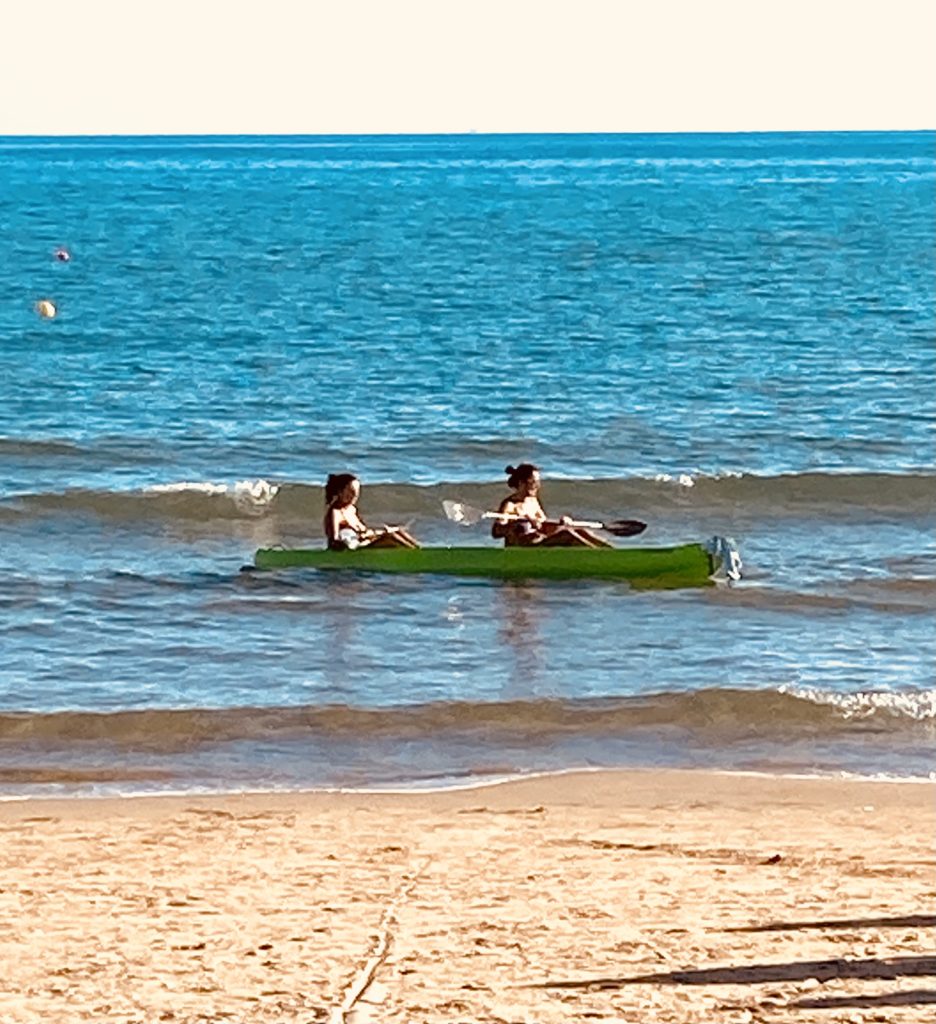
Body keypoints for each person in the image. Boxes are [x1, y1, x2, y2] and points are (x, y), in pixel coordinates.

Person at [491, 463, 610, 548]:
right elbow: (497, 532)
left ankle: (609, 552)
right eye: (533, 482)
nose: (537, 486)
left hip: (539, 541)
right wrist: (518, 523)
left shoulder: (533, 502)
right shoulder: (510, 505)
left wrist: (561, 523)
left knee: (578, 530)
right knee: (567, 535)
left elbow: (544, 525)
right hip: (522, 548)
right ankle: (599, 557)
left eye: (538, 482)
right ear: (521, 483)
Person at [323, 473, 419, 550]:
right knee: (391, 537)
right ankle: (413, 554)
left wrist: (377, 532)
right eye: (351, 491)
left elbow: (363, 531)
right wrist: (352, 541)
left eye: (357, 491)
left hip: (365, 541)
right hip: (355, 548)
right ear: (340, 492)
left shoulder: (352, 509)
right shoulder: (335, 512)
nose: (355, 495)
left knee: (398, 531)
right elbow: (334, 540)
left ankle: (417, 549)